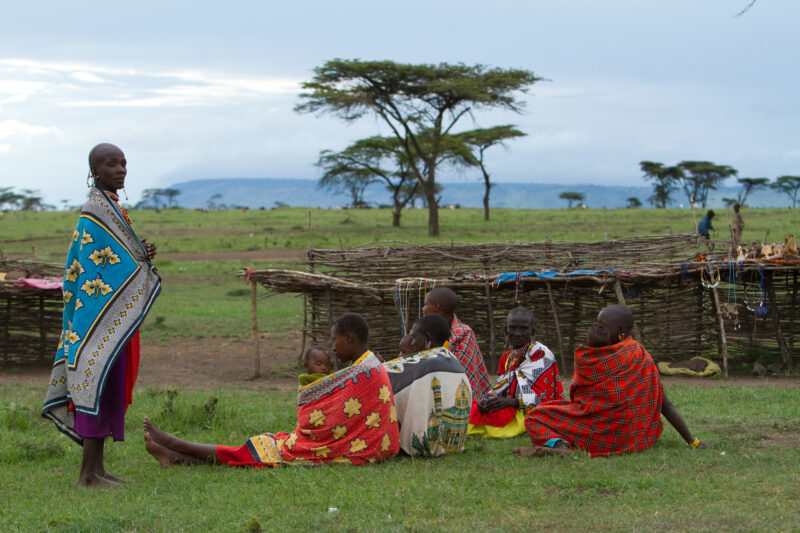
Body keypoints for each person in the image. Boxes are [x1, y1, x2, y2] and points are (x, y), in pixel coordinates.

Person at [42, 143, 161, 486]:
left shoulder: (111, 207)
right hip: (96, 318)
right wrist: (134, 257)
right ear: (95, 171)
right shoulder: (95, 210)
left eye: (124, 163)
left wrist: (142, 253)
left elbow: (121, 256)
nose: (121, 169)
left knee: (106, 390)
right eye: (112, 164)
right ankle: (86, 475)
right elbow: (97, 264)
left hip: (108, 317)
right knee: (94, 388)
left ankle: (98, 470)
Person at [143, 313, 399, 467]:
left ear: (350, 338)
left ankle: (174, 443)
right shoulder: (368, 365)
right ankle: (174, 456)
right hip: (360, 448)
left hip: (352, 451)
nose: (334, 348)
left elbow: (317, 420)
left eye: (336, 340)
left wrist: (309, 416)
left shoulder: (365, 371)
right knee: (263, 446)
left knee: (256, 450)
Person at [515, 305, 708, 458]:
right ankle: (561, 446)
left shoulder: (604, 355)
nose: (598, 327)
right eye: (597, 323)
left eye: (603, 324)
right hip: (633, 439)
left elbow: (578, 397)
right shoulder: (641, 355)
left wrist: (590, 348)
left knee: (535, 417)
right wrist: (692, 441)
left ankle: (559, 445)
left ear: (620, 330)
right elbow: (666, 405)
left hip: (597, 432)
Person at [384, 314, 472, 457]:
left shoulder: (424, 364)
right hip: (456, 445)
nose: (411, 343)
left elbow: (386, 380)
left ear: (427, 339)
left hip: (422, 449)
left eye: (414, 337)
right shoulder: (453, 360)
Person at [467, 307, 562, 438]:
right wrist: (489, 400)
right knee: (471, 407)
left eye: (523, 329)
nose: (517, 333)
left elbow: (547, 399)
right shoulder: (507, 358)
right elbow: (501, 390)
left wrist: (513, 402)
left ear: (533, 333)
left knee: (476, 424)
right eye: (513, 328)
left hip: (533, 414)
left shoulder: (542, 356)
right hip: (509, 410)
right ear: (506, 331)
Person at [422, 287, 491, 399]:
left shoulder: (465, 334)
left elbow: (464, 373)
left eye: (425, 304)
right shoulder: (423, 331)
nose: (423, 308)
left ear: (436, 307)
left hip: (461, 398)